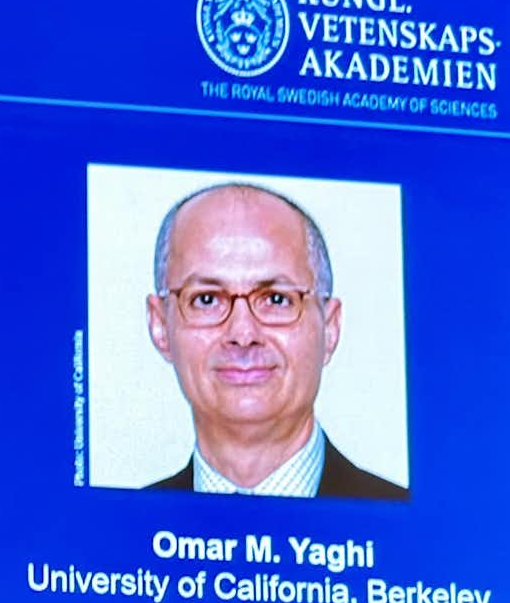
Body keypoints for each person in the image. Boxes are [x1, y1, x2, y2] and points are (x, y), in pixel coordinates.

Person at [143, 182, 405, 499]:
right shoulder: (115, 531)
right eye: (208, 299)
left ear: (330, 327)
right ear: (159, 325)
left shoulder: (412, 529)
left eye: (277, 299)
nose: (242, 335)